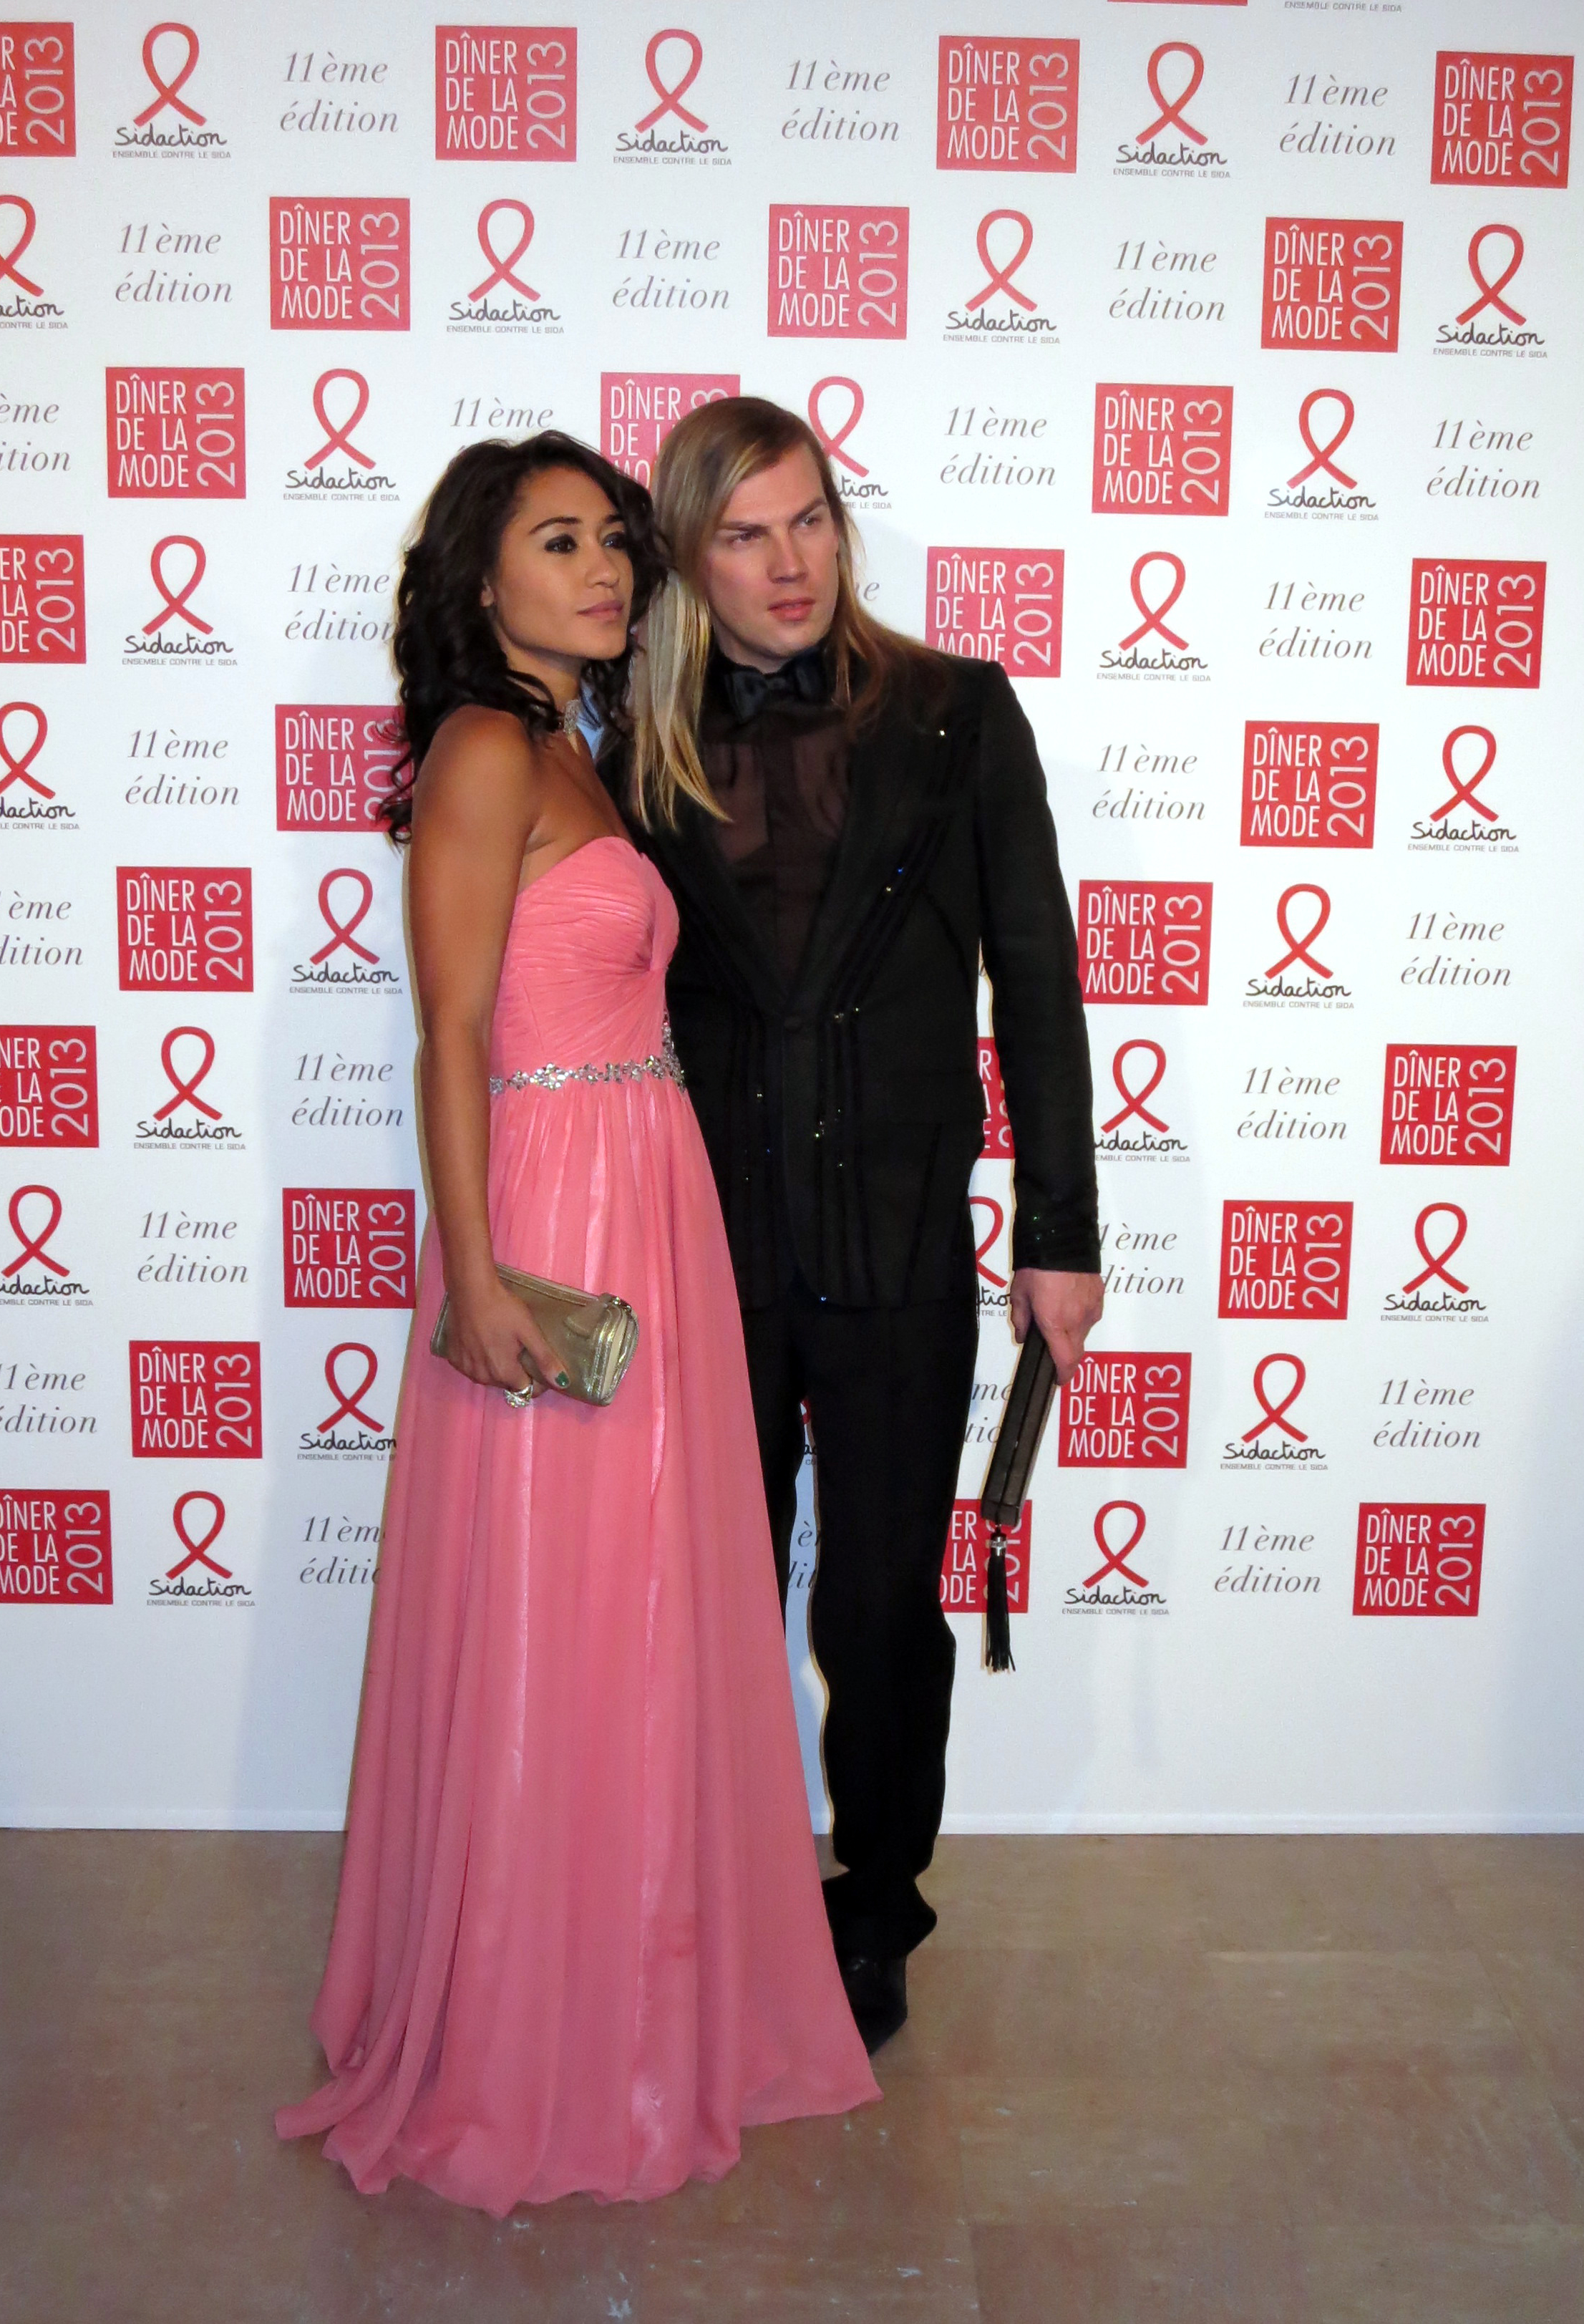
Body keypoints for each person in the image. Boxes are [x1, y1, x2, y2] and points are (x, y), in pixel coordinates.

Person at [275, 432, 878, 2214]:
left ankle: (627, 1992)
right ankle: (533, 2031)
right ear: (480, 582)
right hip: (552, 1205)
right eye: (559, 543)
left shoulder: (574, 747)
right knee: (555, 1606)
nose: (608, 569)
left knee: (630, 1603)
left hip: (642, 1191)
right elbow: (451, 1030)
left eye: (615, 540)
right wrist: (473, 1280)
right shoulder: (484, 747)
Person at [616, 397, 1102, 2053]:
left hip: (897, 1242)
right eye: (743, 533)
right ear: (687, 559)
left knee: (882, 1601)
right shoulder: (633, 740)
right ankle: (717, 1879)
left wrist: (1058, 1232)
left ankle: (876, 1899)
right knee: (708, 1589)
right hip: (705, 1239)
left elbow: (1034, 978)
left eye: (808, 519)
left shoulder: (955, 714)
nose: (789, 563)